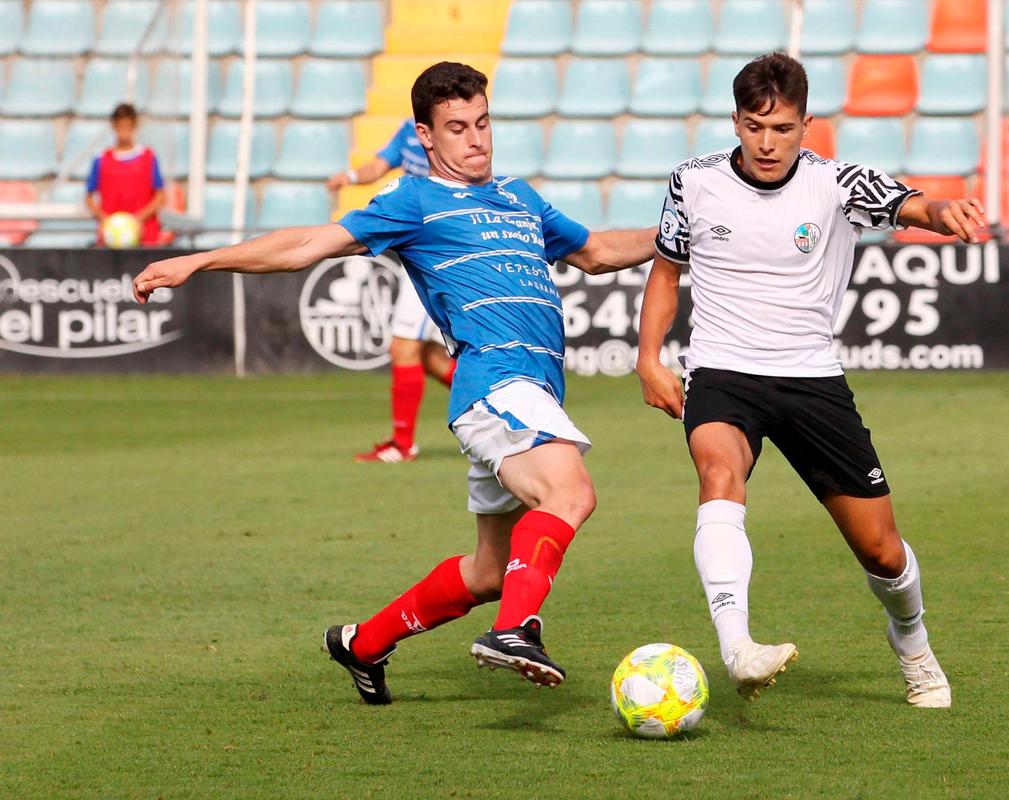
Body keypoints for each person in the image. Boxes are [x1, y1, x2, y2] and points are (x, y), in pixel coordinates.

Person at [132, 62, 655, 703]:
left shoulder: (521, 198)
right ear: (426, 136)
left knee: (491, 570)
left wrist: (672, 235)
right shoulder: (414, 201)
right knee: (570, 492)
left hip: (533, 393)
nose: (476, 140)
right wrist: (201, 259)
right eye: (457, 128)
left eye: (483, 123)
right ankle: (515, 629)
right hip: (495, 383)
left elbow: (598, 252)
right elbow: (304, 246)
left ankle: (363, 642)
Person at [636, 53, 985, 707]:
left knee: (881, 551)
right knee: (719, 474)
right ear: (736, 122)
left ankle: (911, 641)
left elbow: (913, 205)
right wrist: (649, 357)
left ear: (807, 125)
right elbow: (666, 269)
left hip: (811, 380)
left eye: (784, 129)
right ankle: (738, 647)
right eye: (754, 126)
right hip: (723, 370)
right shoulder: (693, 182)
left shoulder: (837, 183)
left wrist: (943, 212)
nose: (767, 143)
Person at [327, 117, 454, 463]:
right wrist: (350, 177)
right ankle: (500, 410)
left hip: (436, 253)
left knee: (403, 347)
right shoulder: (407, 131)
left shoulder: (450, 133)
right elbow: (378, 165)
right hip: (415, 253)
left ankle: (402, 444)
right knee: (426, 356)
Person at [86, 103, 168, 246]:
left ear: (134, 126)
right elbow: (89, 197)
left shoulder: (148, 156)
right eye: (120, 126)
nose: (124, 132)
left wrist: (139, 218)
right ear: (113, 126)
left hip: (144, 236)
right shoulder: (101, 158)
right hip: (111, 238)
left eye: (128, 126)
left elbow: (160, 195)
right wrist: (105, 220)